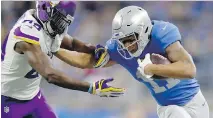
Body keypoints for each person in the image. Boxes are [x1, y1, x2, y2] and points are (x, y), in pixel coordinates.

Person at [52, 6, 210, 118]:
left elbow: (189, 70)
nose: (126, 46)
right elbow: (87, 61)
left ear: (144, 30)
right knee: (175, 112)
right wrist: (55, 50)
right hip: (167, 109)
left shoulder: (162, 35)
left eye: (129, 40)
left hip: (196, 102)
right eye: (122, 41)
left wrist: (151, 68)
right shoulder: (119, 49)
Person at [1, 1, 124, 118]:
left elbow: (71, 43)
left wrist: (94, 49)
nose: (61, 26)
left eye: (64, 22)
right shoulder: (26, 36)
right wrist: (91, 87)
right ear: (45, 9)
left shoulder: (46, 23)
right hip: (8, 99)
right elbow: (50, 75)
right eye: (59, 20)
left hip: (32, 96)